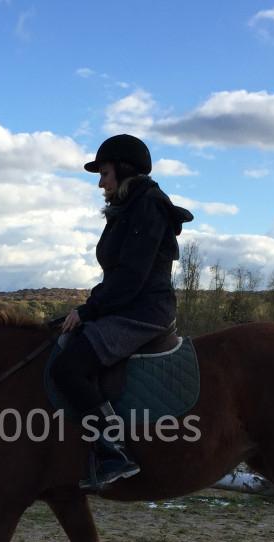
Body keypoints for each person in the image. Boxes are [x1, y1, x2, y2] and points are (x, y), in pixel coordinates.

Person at [51, 134, 193, 492]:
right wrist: (87, 309)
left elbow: (131, 276)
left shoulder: (147, 206)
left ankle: (113, 452)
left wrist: (90, 309)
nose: (100, 182)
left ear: (123, 169)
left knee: (69, 367)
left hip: (145, 311)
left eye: (104, 173)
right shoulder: (127, 208)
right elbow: (118, 277)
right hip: (129, 304)